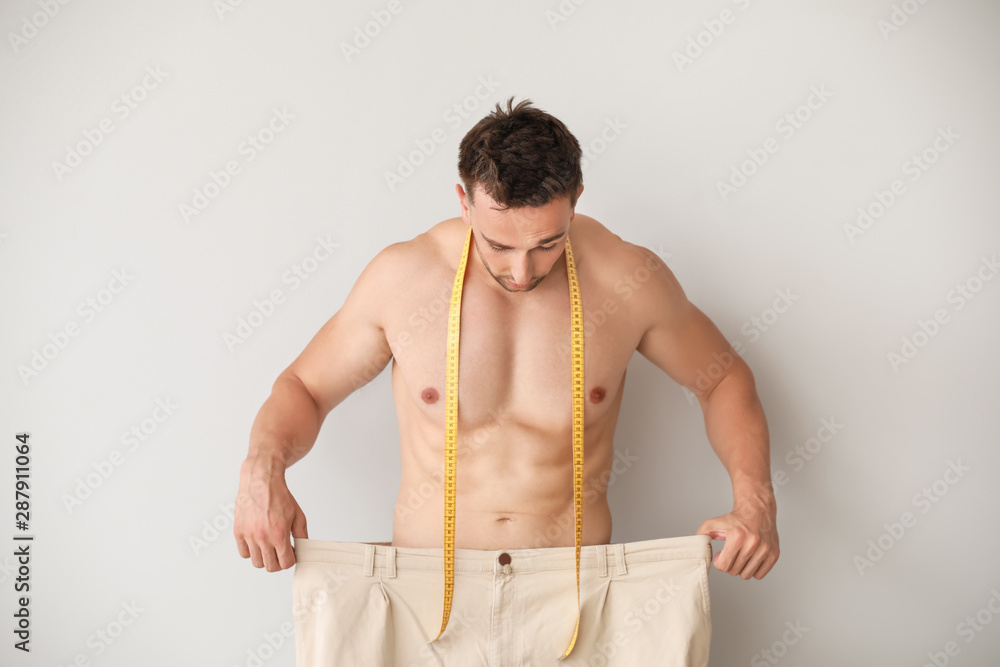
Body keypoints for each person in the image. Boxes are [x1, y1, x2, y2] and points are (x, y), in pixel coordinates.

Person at [234, 96, 778, 666]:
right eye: (500, 245)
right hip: (423, 598)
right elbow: (305, 386)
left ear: (576, 202)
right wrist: (261, 470)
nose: (524, 271)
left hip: (574, 596)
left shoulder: (627, 277)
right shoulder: (403, 278)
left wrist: (755, 499)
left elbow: (722, 379)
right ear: (464, 203)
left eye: (548, 242)